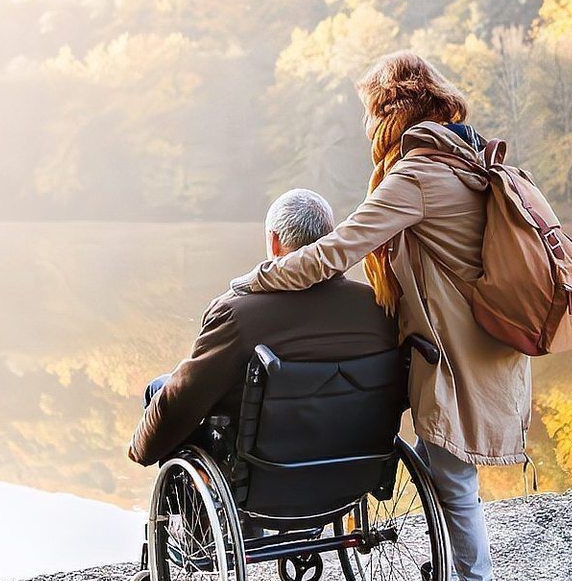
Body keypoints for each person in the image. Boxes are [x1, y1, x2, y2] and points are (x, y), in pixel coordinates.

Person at [230, 51, 528, 581]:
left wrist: (260, 277)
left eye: (370, 115)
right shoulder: (468, 161)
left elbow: (335, 250)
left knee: (454, 484)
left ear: (392, 114)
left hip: (452, 360)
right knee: (451, 480)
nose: (367, 129)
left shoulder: (418, 175)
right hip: (489, 350)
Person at [128, 188, 395, 468]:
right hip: (351, 464)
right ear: (329, 240)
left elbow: (185, 398)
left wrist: (141, 449)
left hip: (265, 471)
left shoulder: (236, 314)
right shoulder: (375, 305)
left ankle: (183, 511)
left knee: (161, 388)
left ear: (275, 241)